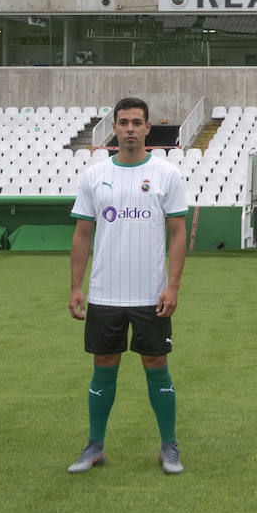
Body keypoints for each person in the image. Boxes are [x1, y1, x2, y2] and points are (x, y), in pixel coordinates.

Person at [66, 97, 189, 475]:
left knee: (157, 364)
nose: (131, 129)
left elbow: (178, 233)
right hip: (105, 293)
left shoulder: (167, 175)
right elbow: (83, 233)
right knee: (103, 365)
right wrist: (76, 286)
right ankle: (95, 446)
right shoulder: (94, 176)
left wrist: (173, 286)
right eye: (124, 122)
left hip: (151, 293)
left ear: (148, 128)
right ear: (114, 128)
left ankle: (169, 447)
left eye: (137, 122)